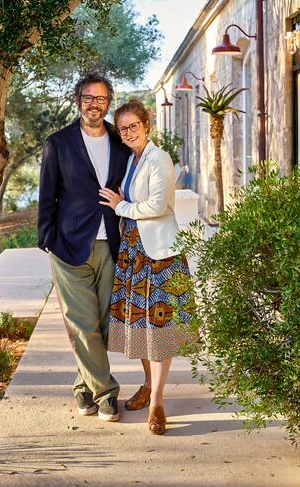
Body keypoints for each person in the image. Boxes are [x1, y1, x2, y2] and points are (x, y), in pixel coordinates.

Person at [38, 72, 129, 422]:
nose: (95, 104)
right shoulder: (58, 143)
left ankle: (83, 386)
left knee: (104, 325)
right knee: (82, 323)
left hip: (110, 243)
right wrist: (47, 241)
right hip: (68, 246)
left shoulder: (120, 146)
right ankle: (106, 393)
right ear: (79, 100)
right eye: (89, 98)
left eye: (101, 99)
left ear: (108, 103)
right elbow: (47, 195)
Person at [99, 99, 192, 435]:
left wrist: (120, 205)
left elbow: (158, 204)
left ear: (146, 125)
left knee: (159, 328)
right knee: (138, 326)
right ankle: (147, 384)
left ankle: (157, 401)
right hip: (133, 250)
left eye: (133, 126)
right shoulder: (131, 160)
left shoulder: (159, 158)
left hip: (160, 254)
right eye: (122, 128)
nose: (127, 133)